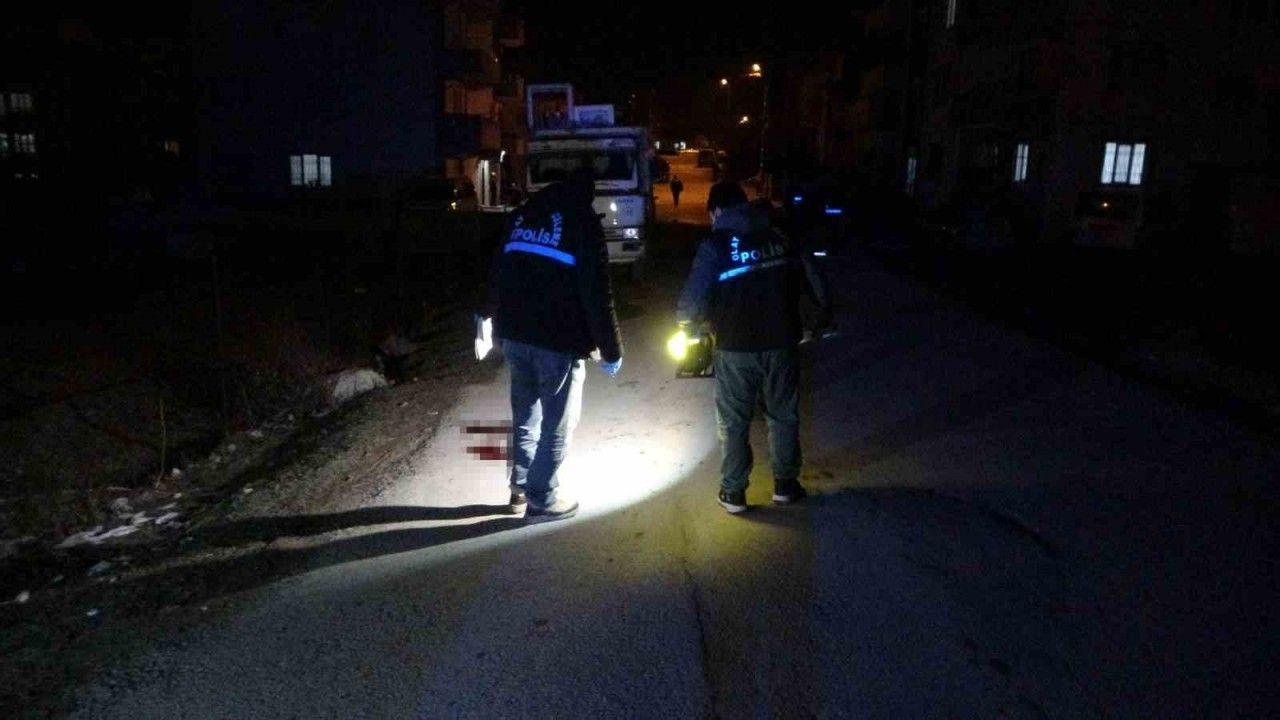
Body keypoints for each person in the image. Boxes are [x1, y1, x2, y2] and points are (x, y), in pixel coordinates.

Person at [676, 180, 831, 514]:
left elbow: (691, 302)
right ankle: (785, 486)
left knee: (734, 421)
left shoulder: (715, 245)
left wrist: (688, 326)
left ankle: (733, 493)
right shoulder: (781, 234)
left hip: (735, 347)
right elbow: (815, 278)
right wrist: (821, 317)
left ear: (717, 211)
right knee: (783, 415)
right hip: (782, 343)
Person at [480, 167, 623, 522]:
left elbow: (495, 272)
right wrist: (611, 350)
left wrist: (487, 316)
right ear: (584, 195)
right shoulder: (582, 223)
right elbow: (597, 293)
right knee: (558, 422)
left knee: (525, 415)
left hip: (514, 335)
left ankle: (520, 488)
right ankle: (542, 498)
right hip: (558, 339)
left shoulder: (521, 217)